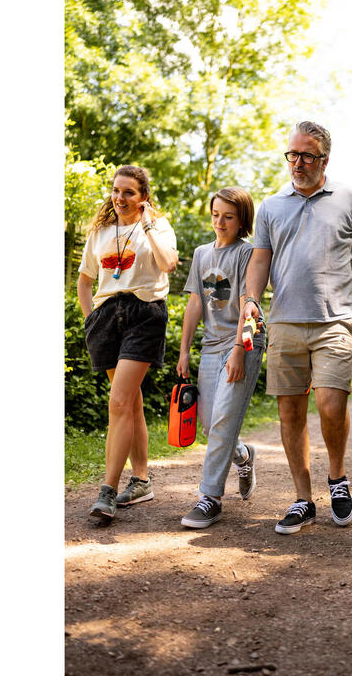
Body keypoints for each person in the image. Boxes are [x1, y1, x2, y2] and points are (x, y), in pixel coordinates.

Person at [243, 120, 352, 534]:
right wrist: (251, 300)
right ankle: (303, 498)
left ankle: (336, 478)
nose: (297, 163)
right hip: (283, 320)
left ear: (324, 159)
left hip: (335, 319)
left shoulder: (350, 200)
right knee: (289, 412)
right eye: (292, 155)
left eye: (306, 156)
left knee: (331, 405)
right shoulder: (270, 206)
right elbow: (260, 260)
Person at [77, 165, 179, 521]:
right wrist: (91, 318)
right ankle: (141, 480)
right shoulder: (101, 231)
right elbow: (85, 280)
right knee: (130, 403)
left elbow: (168, 263)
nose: (119, 198)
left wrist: (148, 224)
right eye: (116, 190)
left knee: (119, 401)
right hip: (106, 317)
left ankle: (106, 491)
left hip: (143, 314)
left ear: (143, 197)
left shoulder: (158, 227)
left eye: (129, 192)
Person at [177, 187, 264, 529]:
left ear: (242, 219)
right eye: (215, 214)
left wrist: (241, 350)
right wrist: (184, 351)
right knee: (210, 422)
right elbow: (196, 303)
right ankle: (242, 456)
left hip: (245, 339)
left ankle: (209, 497)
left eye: (228, 216)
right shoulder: (201, 254)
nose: (220, 222)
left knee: (224, 421)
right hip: (211, 344)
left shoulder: (248, 253)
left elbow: (248, 302)